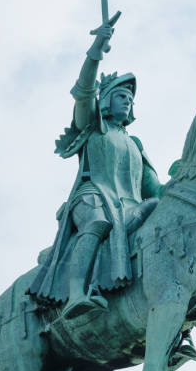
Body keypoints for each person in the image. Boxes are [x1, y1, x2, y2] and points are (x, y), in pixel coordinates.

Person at [30, 20, 162, 319]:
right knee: (98, 223)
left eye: (130, 99)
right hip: (93, 198)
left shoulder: (135, 143)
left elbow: (155, 189)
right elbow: (83, 92)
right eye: (121, 96)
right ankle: (76, 294)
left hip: (131, 207)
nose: (127, 102)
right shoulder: (93, 126)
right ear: (106, 101)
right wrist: (95, 52)